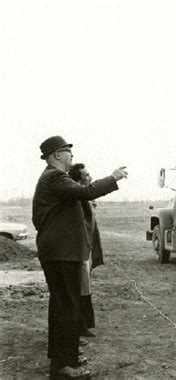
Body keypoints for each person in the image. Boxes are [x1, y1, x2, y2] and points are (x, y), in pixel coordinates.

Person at [32, 136, 128, 379]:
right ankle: (63, 366)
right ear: (56, 155)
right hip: (61, 255)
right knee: (67, 308)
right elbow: (87, 191)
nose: (71, 156)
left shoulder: (53, 180)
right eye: (67, 152)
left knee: (62, 306)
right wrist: (113, 177)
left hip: (60, 253)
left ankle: (65, 359)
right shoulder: (54, 177)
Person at [68, 163, 101, 339]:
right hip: (77, 252)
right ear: (78, 180)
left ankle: (82, 326)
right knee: (77, 290)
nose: (90, 178)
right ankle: (76, 330)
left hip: (85, 250)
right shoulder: (75, 200)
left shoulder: (86, 201)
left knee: (84, 288)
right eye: (86, 175)